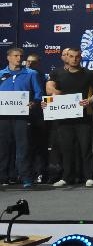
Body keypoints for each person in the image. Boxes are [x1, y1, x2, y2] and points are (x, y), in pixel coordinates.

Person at [46, 48, 93, 187]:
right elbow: (49, 89)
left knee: (86, 147)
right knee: (66, 148)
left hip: (83, 117)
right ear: (66, 57)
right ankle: (67, 177)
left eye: (77, 56)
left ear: (81, 58)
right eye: (71, 56)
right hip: (63, 118)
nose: (74, 59)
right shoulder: (57, 73)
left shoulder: (89, 74)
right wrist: (54, 97)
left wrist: (90, 100)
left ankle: (89, 176)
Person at [0, 48, 43, 188]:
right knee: (3, 147)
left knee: (23, 148)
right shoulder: (1, 74)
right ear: (8, 57)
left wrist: (34, 102)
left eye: (21, 56)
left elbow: (38, 93)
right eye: (15, 56)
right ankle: (3, 177)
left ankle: (26, 177)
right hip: (3, 117)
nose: (19, 58)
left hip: (22, 117)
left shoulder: (31, 74)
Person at [24, 53, 49, 183]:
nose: (29, 64)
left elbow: (47, 95)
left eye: (33, 62)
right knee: (26, 146)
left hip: (40, 115)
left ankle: (40, 173)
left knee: (40, 146)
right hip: (23, 115)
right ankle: (26, 173)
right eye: (28, 61)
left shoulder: (44, 77)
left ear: (38, 63)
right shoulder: (22, 75)